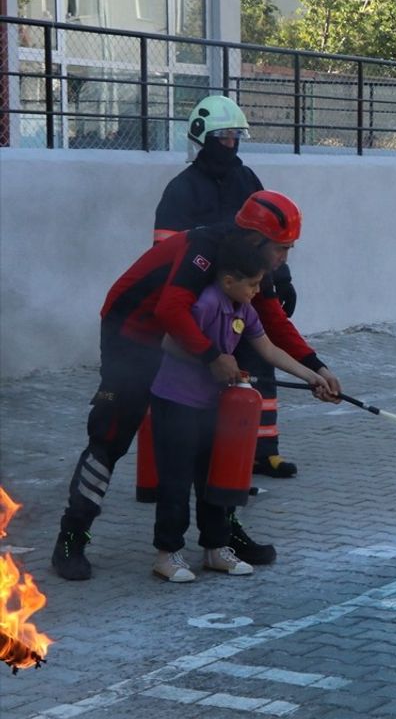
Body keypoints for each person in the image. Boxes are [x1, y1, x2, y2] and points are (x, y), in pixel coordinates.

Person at [51, 191, 343, 581]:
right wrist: (213, 357)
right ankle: (72, 536)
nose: (284, 258)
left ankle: (220, 534)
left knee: (217, 442)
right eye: (282, 248)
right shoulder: (204, 248)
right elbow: (169, 309)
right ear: (256, 239)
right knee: (111, 435)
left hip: (185, 346)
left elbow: (271, 323)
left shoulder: (252, 265)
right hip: (133, 333)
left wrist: (316, 368)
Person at [150, 237, 330, 582]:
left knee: (214, 480)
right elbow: (169, 342)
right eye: (252, 284)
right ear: (229, 281)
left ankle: (215, 549)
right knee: (176, 482)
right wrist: (213, 361)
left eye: (260, 283)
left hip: (210, 407)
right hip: (175, 403)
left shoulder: (244, 310)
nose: (257, 290)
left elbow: (270, 350)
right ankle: (167, 554)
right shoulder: (206, 304)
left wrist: (314, 377)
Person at [155, 95, 301, 480]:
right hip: (204, 299)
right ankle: (223, 460)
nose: (231, 144)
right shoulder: (181, 189)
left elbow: (270, 234)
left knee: (260, 367)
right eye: (224, 137)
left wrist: (279, 279)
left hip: (247, 292)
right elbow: (166, 249)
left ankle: (264, 451)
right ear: (202, 136)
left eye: (236, 136)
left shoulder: (246, 178)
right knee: (219, 373)